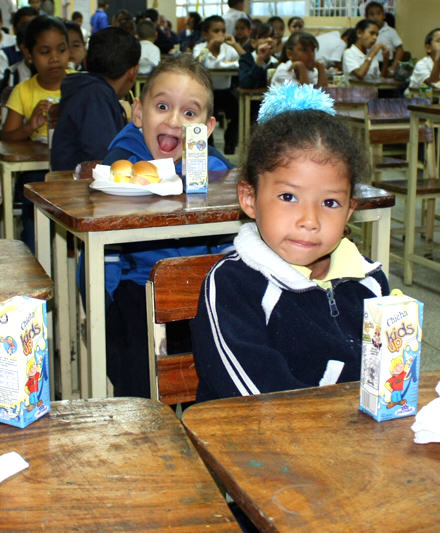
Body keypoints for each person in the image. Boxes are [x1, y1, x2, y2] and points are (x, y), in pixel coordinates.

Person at [191, 84, 389, 402]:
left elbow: (386, 380)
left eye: (330, 203)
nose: (309, 220)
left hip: (346, 443)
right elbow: (255, 397)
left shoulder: (370, 282)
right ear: (250, 198)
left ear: (350, 209)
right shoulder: (232, 285)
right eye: (288, 197)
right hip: (247, 444)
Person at [100, 56, 233, 397]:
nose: (175, 121)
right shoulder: (121, 171)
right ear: (139, 113)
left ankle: (205, 422)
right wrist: (105, 299)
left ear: (208, 127)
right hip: (138, 287)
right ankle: (143, 421)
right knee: (133, 345)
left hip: (199, 291)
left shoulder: (217, 174)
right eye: (162, 106)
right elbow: (103, 253)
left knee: (229, 335)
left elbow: (229, 242)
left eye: (190, 113)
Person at [1, 15, 71, 252]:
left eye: (61, 50)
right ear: (28, 54)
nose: (55, 59)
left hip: (72, 167)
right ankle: (34, 253)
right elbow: (7, 136)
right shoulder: (23, 91)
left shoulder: (79, 85)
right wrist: (31, 125)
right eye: (44, 51)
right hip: (37, 169)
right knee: (34, 194)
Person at [51, 26, 140, 171]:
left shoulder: (86, 89)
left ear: (85, 62)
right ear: (133, 71)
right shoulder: (95, 95)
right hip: (77, 186)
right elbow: (106, 157)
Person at [193, 15, 244, 154]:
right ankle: (209, 146)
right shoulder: (200, 47)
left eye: (223, 31)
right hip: (207, 93)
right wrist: (210, 46)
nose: (220, 35)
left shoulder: (228, 49)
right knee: (205, 115)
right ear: (205, 34)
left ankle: (230, 143)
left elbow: (245, 60)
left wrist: (235, 44)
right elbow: (196, 64)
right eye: (216, 31)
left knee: (237, 111)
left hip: (225, 91)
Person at [365, 1, 403, 76]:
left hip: (386, 63)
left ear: (383, 16)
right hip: (369, 64)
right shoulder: (365, 32)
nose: (375, 17)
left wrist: (394, 66)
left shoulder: (391, 31)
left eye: (378, 14)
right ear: (366, 17)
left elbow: (400, 49)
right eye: (372, 14)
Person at [238, 21, 278, 89]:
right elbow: (246, 84)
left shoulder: (277, 62)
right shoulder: (246, 59)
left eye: (273, 37)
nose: (270, 40)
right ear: (253, 43)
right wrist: (259, 62)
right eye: (264, 37)